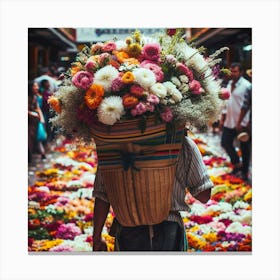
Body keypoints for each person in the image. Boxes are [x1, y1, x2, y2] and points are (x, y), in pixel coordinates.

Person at [92, 133, 214, 251]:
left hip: (128, 229)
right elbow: (204, 195)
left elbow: (102, 197)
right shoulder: (184, 144)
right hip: (169, 228)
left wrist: (97, 237)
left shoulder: (112, 148)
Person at [219, 62, 252, 180]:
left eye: (235, 71)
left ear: (241, 72)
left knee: (245, 148)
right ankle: (237, 164)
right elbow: (226, 102)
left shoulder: (247, 85)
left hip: (242, 123)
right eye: (231, 71)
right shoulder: (228, 84)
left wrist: (242, 123)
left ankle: (244, 172)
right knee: (225, 142)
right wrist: (222, 119)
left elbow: (247, 105)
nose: (232, 73)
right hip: (229, 120)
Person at [28, 81, 47, 162]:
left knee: (34, 139)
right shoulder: (27, 97)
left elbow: (38, 108)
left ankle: (34, 155)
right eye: (35, 86)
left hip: (34, 122)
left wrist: (42, 119)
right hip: (29, 123)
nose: (37, 88)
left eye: (37, 86)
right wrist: (33, 114)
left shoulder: (35, 97)